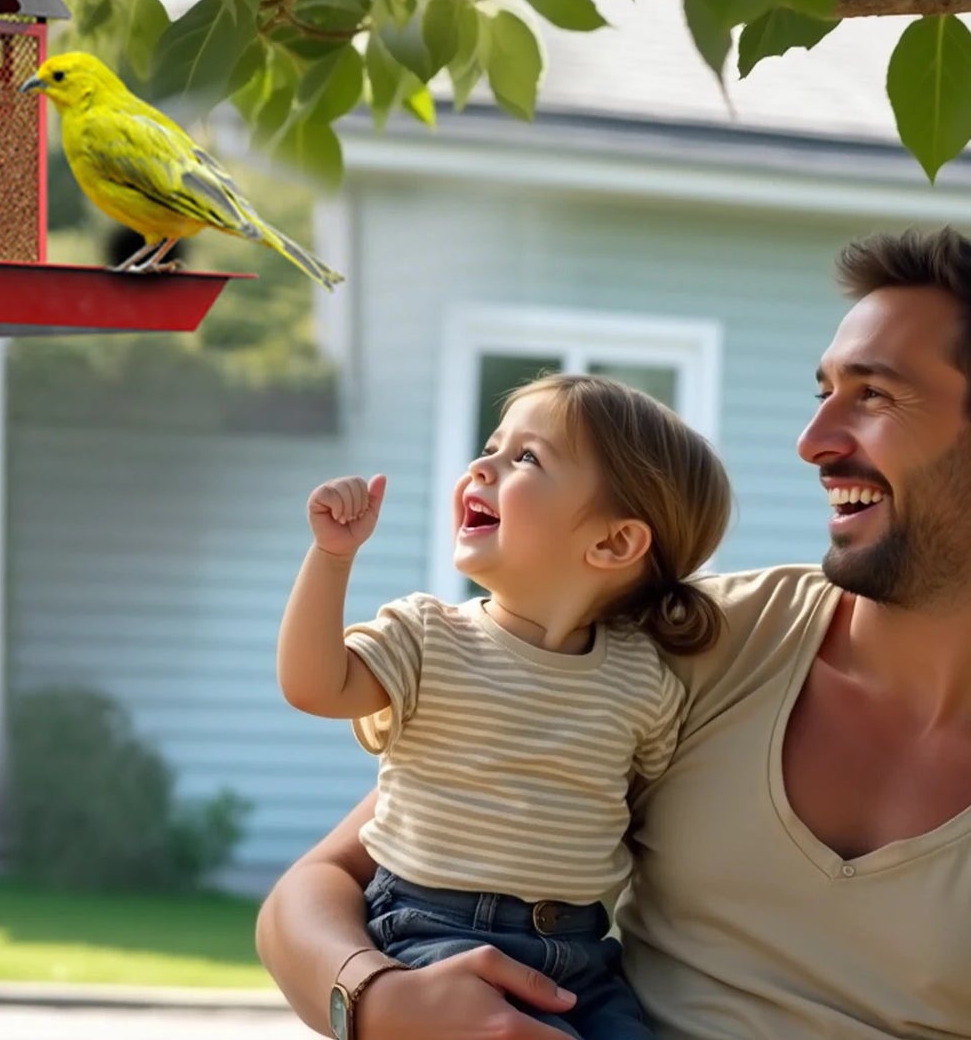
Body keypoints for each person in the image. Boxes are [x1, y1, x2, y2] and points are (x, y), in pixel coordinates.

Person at [257, 228, 971, 1040]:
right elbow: (315, 888)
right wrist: (375, 998)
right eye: (823, 394)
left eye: (872, 395)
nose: (813, 443)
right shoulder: (691, 642)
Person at [276, 373, 730, 1038]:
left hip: (579, 957)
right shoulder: (427, 634)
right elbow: (312, 685)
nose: (479, 466)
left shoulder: (643, 677)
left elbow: (644, 808)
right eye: (492, 445)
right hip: (427, 931)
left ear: (613, 544)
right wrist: (331, 556)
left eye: (524, 457)